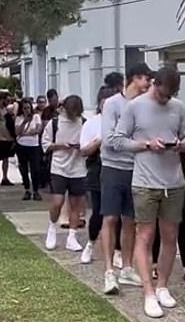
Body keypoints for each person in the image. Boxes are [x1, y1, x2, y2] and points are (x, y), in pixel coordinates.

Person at [112, 65, 185, 319]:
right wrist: (146, 144)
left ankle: (163, 287)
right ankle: (148, 292)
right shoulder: (134, 106)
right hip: (145, 182)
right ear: (154, 84)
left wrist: (182, 146)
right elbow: (117, 140)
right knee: (145, 235)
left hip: (174, 181)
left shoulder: (178, 107)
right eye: (162, 93)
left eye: (170, 94)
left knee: (171, 236)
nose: (165, 98)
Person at [99, 62, 152, 295]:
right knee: (110, 218)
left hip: (137, 169)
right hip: (112, 168)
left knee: (131, 220)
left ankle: (127, 267)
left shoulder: (146, 105)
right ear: (133, 79)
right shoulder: (112, 104)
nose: (148, 83)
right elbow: (109, 140)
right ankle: (109, 271)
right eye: (144, 79)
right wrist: (140, 145)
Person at [152, 136, 185, 283]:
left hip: (183, 176)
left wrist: (183, 145)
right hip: (158, 176)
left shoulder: (180, 124)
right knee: (157, 223)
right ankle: (154, 264)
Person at [42, 95, 87, 252]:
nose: (74, 115)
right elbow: (46, 145)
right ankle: (52, 229)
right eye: (71, 112)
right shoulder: (54, 123)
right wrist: (62, 145)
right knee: (57, 201)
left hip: (78, 168)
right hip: (59, 167)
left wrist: (82, 147)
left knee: (76, 205)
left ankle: (72, 236)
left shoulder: (84, 123)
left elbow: (89, 144)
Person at [79, 85, 114, 264]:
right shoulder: (92, 123)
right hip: (97, 169)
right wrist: (98, 141)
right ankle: (91, 244)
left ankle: (117, 251)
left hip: (117, 169)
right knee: (99, 211)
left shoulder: (121, 120)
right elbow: (83, 150)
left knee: (117, 213)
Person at [15, 98, 43, 201]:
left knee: (35, 169)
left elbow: (38, 130)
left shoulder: (36, 117)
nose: (27, 110)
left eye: (28, 108)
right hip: (22, 145)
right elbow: (17, 132)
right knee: (24, 168)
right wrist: (24, 123)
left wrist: (28, 132)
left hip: (34, 146)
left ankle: (36, 190)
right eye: (24, 108)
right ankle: (27, 189)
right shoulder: (19, 118)